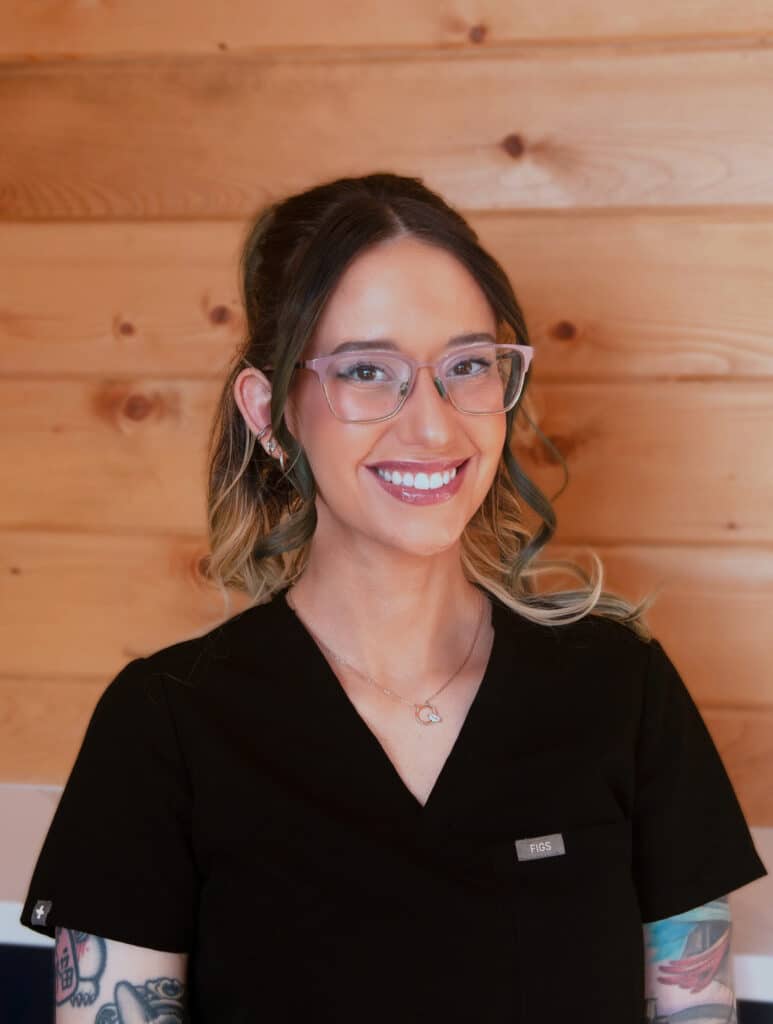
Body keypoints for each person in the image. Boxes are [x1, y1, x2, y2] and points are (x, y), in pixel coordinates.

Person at [21, 173, 767, 1023]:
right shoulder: (164, 724)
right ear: (269, 413)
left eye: (467, 366)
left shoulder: (621, 688)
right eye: (368, 371)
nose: (434, 426)